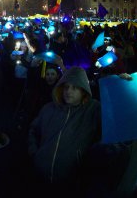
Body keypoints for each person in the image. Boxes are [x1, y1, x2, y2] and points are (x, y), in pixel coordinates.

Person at [28, 66, 101, 197]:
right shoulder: (49, 108)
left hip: (71, 183)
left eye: (75, 87)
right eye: (66, 87)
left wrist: (120, 85)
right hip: (39, 177)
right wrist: (35, 154)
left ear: (84, 90)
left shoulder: (92, 110)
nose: (68, 91)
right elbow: (33, 130)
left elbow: (114, 114)